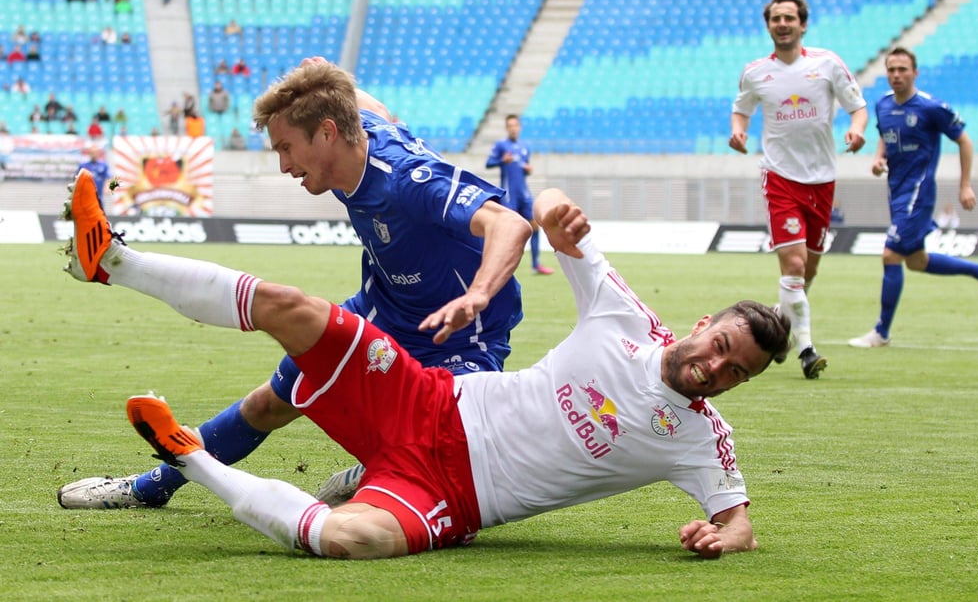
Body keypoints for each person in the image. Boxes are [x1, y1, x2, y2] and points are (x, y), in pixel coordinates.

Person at [63, 172, 791, 559]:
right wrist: (561, 209)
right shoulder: (626, 319)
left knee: (351, 540)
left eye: (737, 373)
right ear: (704, 325)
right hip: (428, 402)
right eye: (722, 346)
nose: (716, 369)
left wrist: (720, 536)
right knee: (295, 310)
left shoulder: (702, 437)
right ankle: (114, 260)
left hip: (451, 493)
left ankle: (189, 457)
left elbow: (740, 524)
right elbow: (547, 204)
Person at [57, 58, 533, 512]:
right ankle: (149, 489)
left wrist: (477, 294)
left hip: (460, 336)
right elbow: (371, 107)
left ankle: (376, 472)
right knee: (269, 403)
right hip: (386, 309)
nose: (284, 165)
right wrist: (319, 77)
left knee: (450, 459)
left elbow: (510, 225)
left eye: (287, 148)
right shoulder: (356, 134)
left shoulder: (407, 180)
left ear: (327, 133)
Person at [729, 0, 868, 379]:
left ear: (803, 24)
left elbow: (858, 106)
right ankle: (805, 349)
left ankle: (777, 321)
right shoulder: (756, 72)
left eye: (790, 18)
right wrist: (738, 133)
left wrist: (857, 132)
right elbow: (741, 110)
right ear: (769, 25)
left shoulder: (826, 64)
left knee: (807, 272)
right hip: (780, 178)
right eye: (776, 18)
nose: (783, 24)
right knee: (793, 265)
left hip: (822, 179)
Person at [848, 47, 978, 349]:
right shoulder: (883, 105)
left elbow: (964, 141)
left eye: (903, 69)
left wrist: (965, 185)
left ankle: (881, 332)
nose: (897, 75)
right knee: (916, 261)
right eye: (891, 70)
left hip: (918, 193)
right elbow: (884, 136)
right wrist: (879, 159)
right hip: (896, 191)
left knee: (890, 255)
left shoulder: (931, 108)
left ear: (915, 72)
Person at [486, 114, 554, 275]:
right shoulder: (501, 145)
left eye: (515, 125)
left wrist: (528, 170)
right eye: (510, 125)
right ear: (506, 128)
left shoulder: (525, 146)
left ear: (519, 127)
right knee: (509, 230)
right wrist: (502, 161)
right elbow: (489, 163)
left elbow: (523, 167)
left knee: (535, 227)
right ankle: (501, 266)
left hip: (524, 192)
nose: (513, 128)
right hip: (510, 194)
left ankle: (536, 264)